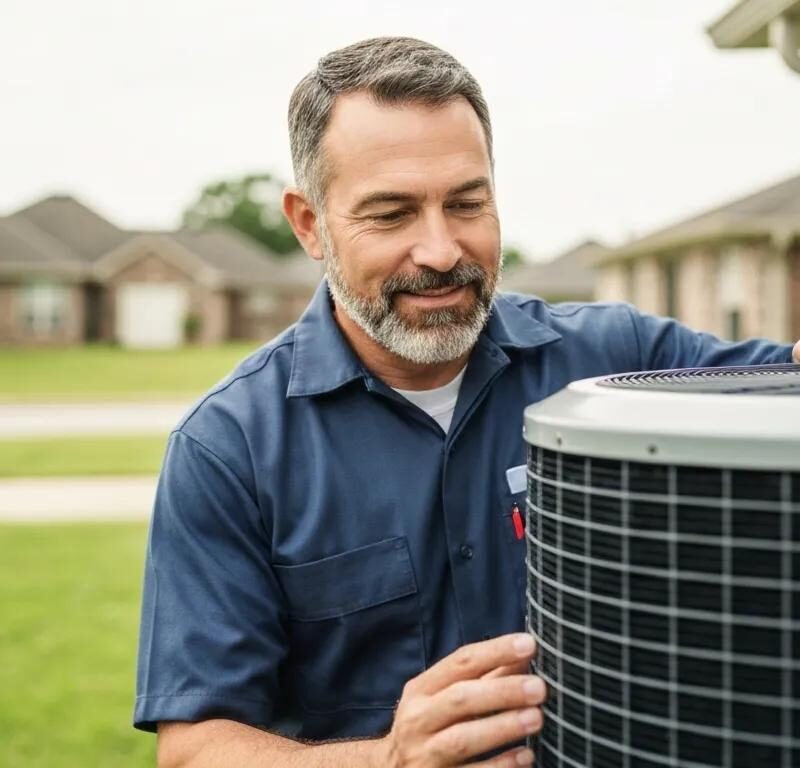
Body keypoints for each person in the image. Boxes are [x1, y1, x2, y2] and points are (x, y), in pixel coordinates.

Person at [135, 37, 799, 768]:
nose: (442, 249)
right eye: (391, 214)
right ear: (308, 224)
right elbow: (195, 749)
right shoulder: (228, 448)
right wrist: (389, 760)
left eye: (466, 203)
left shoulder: (623, 365)